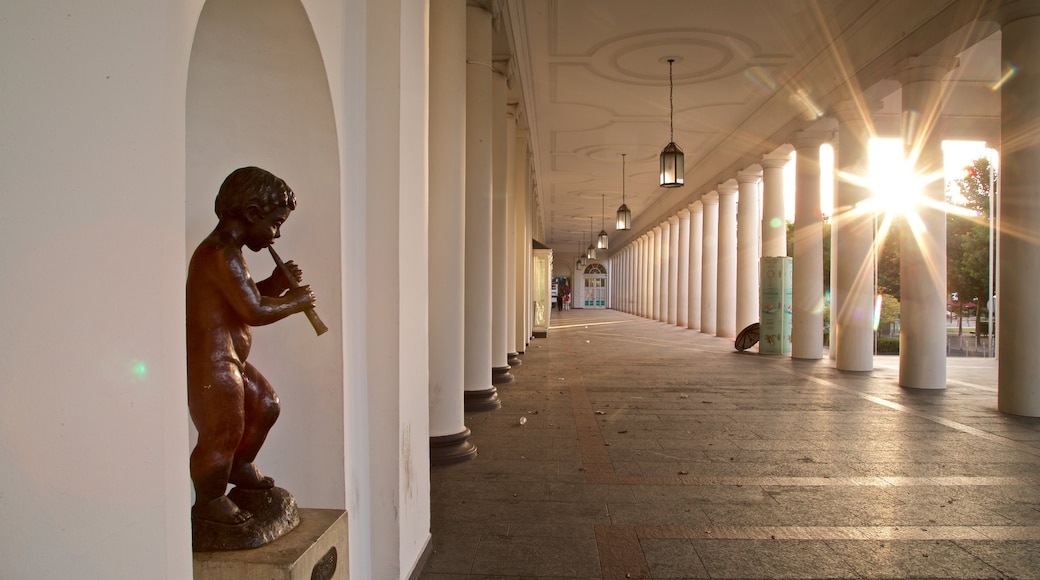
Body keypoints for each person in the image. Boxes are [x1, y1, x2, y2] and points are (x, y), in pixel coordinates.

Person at [186, 167, 316, 525]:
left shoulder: (231, 253)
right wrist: (296, 302)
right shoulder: (218, 254)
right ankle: (210, 500)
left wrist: (275, 283)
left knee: (266, 405)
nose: (277, 234)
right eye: (276, 223)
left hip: (231, 360)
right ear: (253, 214)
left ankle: (239, 466)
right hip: (212, 364)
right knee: (222, 432)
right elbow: (253, 310)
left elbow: (245, 298)